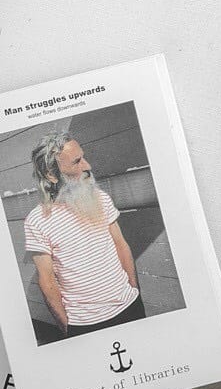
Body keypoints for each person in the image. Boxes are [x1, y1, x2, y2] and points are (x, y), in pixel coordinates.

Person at [24, 131, 144, 338]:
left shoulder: (100, 198)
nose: (87, 166)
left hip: (129, 307)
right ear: (51, 175)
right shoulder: (37, 220)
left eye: (83, 157)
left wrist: (134, 289)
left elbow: (121, 245)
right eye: (76, 162)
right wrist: (66, 326)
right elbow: (47, 280)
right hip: (84, 324)